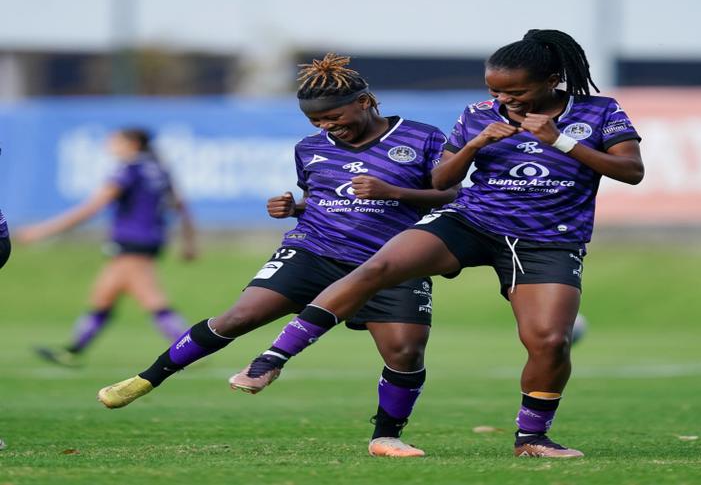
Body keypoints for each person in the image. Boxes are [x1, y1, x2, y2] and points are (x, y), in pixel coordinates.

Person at [236, 30, 645, 458]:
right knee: (378, 267)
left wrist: (559, 140)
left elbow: (630, 171)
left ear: (553, 79)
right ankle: (272, 358)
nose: (506, 99)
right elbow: (443, 181)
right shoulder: (479, 114)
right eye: (495, 90)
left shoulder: (600, 112)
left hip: (548, 239)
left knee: (549, 341)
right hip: (472, 220)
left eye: (517, 91)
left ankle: (532, 438)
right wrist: (476, 143)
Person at [97, 54, 457, 458]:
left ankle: (385, 436)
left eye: (334, 116)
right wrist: (295, 208)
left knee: (406, 352)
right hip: (315, 249)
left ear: (365, 101)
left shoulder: (422, 137)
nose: (326, 126)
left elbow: (452, 194)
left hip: (393, 261)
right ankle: (147, 379)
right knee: (238, 316)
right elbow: (322, 198)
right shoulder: (309, 149)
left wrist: (395, 192)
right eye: (316, 121)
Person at [17, 128, 196, 366]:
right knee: (103, 296)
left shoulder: (128, 170)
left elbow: (93, 206)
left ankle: (190, 349)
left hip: (131, 242)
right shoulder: (159, 169)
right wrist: (189, 240)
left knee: (152, 299)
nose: (109, 146)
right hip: (149, 240)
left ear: (132, 144)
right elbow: (180, 205)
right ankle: (72, 351)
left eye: (114, 141)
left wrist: (42, 231)